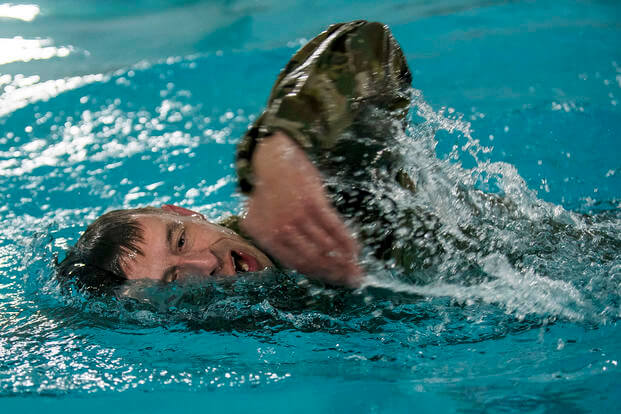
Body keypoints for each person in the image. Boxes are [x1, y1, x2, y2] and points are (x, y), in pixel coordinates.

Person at [57, 20, 421, 294]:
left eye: (181, 240)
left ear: (184, 212)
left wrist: (281, 153)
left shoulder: (327, 202)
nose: (206, 264)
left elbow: (367, 44)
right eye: (174, 278)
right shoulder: (233, 319)